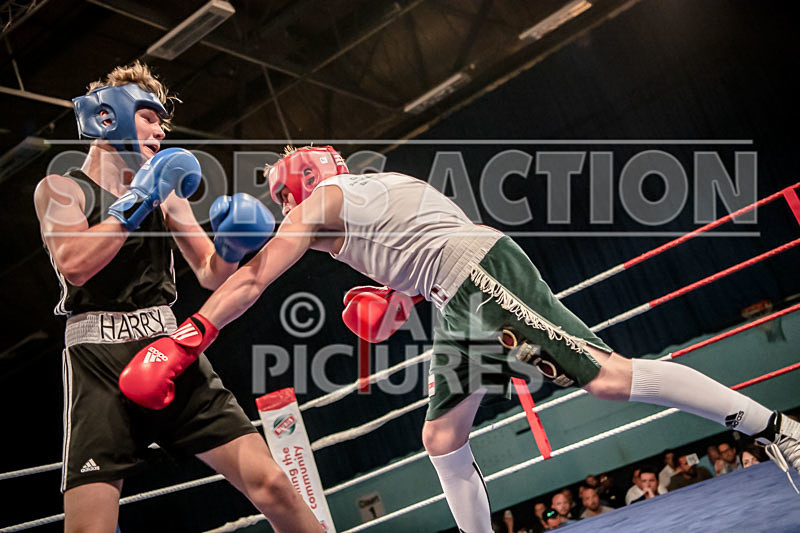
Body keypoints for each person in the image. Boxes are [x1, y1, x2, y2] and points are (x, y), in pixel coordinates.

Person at [121, 145, 800, 532]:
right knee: (441, 439)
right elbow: (417, 264)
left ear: (304, 181)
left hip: (479, 277)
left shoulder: (326, 202)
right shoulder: (369, 197)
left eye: (280, 193)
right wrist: (392, 301)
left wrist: (191, 335)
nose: (279, 208)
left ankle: (775, 425)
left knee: (608, 376)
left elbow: (253, 279)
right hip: (459, 293)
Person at [33, 63, 320, 533]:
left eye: (163, 121)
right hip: (96, 361)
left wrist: (232, 246)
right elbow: (74, 261)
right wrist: (139, 198)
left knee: (272, 484)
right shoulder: (61, 188)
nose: (161, 130)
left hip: (166, 345)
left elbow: (210, 274)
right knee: (89, 530)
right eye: (149, 116)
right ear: (111, 117)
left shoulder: (165, 194)